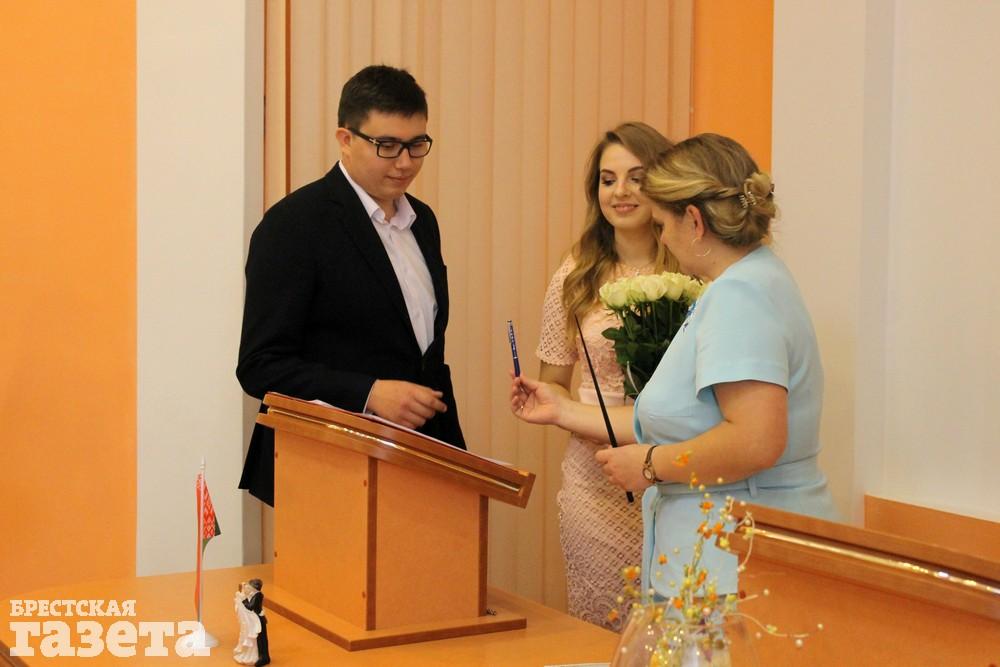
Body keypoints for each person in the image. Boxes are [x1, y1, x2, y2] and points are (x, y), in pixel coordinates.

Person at [512, 133, 837, 602]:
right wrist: (561, 409)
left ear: (694, 221)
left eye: (663, 224)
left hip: (734, 553)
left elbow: (755, 439)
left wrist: (650, 464)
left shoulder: (738, 296)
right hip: (727, 550)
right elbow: (687, 420)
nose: (661, 237)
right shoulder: (754, 278)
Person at [237, 65, 465, 506]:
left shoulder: (423, 221)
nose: (405, 162)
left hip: (420, 462)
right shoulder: (294, 225)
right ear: (345, 139)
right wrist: (369, 393)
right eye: (387, 146)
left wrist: (454, 454)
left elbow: (423, 354)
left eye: (417, 145)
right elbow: (260, 366)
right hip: (328, 467)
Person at [533, 122, 675, 630]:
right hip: (595, 478)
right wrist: (545, 399)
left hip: (672, 473)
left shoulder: (690, 273)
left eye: (636, 177)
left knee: (671, 630)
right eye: (608, 179)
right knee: (604, 626)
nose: (621, 192)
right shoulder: (576, 274)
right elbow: (553, 383)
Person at [240, 579, 269, 667]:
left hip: (259, 620)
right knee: (259, 640)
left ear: (254, 588)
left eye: (250, 587)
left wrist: (244, 600)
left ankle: (264, 657)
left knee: (262, 639)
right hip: (256, 619)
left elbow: (250, 607)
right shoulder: (254, 594)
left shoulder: (258, 596)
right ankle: (262, 656)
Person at [233, 581, 260, 665]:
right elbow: (241, 609)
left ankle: (253, 653)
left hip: (251, 621)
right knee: (247, 636)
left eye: (248, 587)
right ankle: (247, 653)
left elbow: (252, 608)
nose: (248, 589)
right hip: (247, 622)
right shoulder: (241, 598)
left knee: (252, 638)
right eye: (246, 587)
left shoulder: (252, 597)